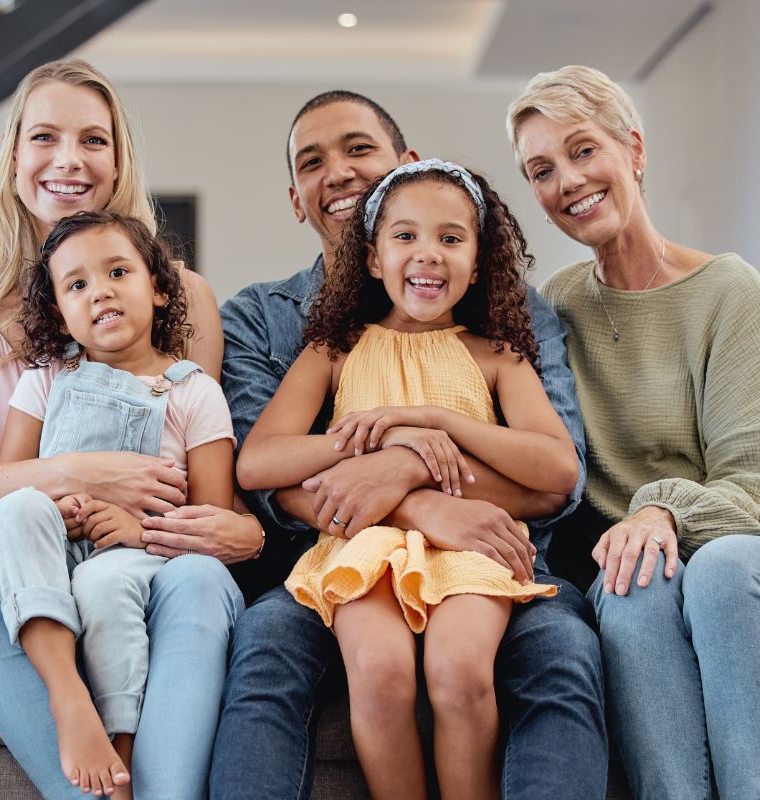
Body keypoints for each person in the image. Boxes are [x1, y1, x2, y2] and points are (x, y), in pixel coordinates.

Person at [201, 90, 608, 799]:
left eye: (451, 239)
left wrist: (427, 431)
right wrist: (384, 464)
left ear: (479, 260)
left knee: (493, 665)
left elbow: (556, 475)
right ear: (373, 248)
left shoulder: (503, 339)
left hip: (484, 550)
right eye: (311, 162)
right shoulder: (312, 337)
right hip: (349, 549)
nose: (428, 254)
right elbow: (261, 469)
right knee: (348, 667)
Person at [0, 60, 257, 799]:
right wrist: (77, 475)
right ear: (14, 157)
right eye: (45, 137)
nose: (68, 159)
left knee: (194, 575)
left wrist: (238, 531)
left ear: (119, 160)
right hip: (17, 561)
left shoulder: (183, 296)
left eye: (93, 139)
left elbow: (203, 476)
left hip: (149, 554)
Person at [509, 64, 760, 800]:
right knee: (632, 587)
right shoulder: (557, 307)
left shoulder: (728, 290)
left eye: (582, 151)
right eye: (541, 170)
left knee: (721, 571)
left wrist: (660, 506)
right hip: (635, 566)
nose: (566, 181)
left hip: (752, 550)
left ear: (633, 149)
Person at [0, 211, 235, 797]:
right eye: (76, 284)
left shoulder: (193, 390)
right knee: (15, 508)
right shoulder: (46, 380)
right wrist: (57, 499)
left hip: (138, 558)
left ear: (157, 286)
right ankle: (67, 696)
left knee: (103, 584)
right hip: (47, 553)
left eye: (118, 271)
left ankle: (119, 751)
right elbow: (9, 481)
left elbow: (213, 524)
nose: (99, 290)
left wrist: (138, 529)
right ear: (58, 311)